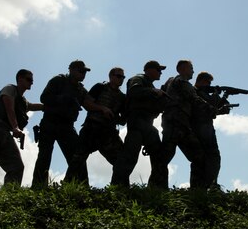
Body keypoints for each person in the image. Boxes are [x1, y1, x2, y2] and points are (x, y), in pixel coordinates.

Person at [31, 60, 112, 189]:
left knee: (77, 157)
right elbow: (44, 98)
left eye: (85, 72)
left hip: (67, 127)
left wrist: (102, 108)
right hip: (50, 123)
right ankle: (38, 187)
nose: (83, 74)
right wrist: (63, 98)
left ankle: (81, 187)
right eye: (81, 71)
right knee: (44, 157)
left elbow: (88, 104)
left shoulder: (81, 90)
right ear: (71, 70)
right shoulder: (58, 80)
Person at [154, 60, 214, 189]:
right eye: (191, 68)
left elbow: (161, 94)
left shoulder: (170, 81)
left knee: (166, 157)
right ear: (182, 69)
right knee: (194, 156)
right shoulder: (182, 82)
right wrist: (212, 109)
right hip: (178, 124)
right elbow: (195, 99)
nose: (193, 71)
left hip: (175, 123)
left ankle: (157, 188)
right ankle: (196, 190)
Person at [64, 67, 127, 185]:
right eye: (119, 76)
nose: (121, 79)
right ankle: (68, 188)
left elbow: (123, 120)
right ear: (111, 76)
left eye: (123, 77)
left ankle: (120, 190)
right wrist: (102, 108)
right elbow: (86, 103)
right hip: (91, 129)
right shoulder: (100, 87)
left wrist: (116, 117)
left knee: (121, 161)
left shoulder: (122, 97)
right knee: (77, 161)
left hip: (108, 134)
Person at [111, 60, 168, 188]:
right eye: (158, 70)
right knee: (129, 158)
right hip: (137, 124)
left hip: (146, 125)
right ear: (150, 70)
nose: (160, 73)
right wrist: (154, 92)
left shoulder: (150, 85)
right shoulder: (138, 79)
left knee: (159, 158)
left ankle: (158, 188)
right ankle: (117, 188)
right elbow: (134, 92)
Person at [192, 71, 230, 189]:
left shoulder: (202, 93)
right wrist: (215, 94)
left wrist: (224, 97)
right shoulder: (195, 92)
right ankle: (208, 186)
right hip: (201, 128)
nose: (209, 85)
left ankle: (201, 188)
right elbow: (208, 106)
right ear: (202, 81)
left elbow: (221, 108)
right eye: (208, 82)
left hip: (205, 128)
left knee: (203, 159)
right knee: (211, 157)